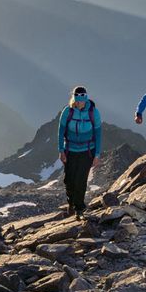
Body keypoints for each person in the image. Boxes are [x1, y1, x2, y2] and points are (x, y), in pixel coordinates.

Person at [58, 86, 102, 220]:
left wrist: (97, 154)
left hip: (87, 151)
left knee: (81, 179)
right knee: (69, 179)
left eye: (82, 100)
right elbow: (60, 132)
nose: (80, 103)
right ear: (74, 99)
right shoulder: (67, 112)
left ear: (86, 99)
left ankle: (79, 208)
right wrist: (61, 150)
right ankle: (70, 203)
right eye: (77, 100)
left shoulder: (93, 112)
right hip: (70, 150)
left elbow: (98, 134)